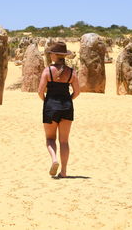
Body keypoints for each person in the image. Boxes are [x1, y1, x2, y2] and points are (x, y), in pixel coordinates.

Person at [38, 42, 80, 178]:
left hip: (50, 107)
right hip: (67, 107)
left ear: (55, 55)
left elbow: (40, 92)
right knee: (64, 141)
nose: (50, 55)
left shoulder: (47, 71)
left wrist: (47, 102)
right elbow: (77, 91)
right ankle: (64, 171)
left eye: (51, 53)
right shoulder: (71, 72)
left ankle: (54, 159)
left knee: (50, 139)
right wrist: (68, 100)